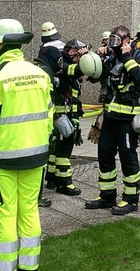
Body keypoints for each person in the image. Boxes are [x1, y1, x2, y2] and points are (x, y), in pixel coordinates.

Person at [0, 19, 53, 271]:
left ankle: (6, 268)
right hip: (35, 157)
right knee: (30, 211)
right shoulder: (40, 74)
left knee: (6, 216)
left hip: (2, 161)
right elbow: (48, 117)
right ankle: (29, 267)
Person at [87, 25, 140, 215]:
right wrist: (97, 58)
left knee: (127, 155)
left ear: (127, 40)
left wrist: (126, 56)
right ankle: (107, 195)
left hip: (128, 119)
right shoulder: (112, 57)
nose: (113, 45)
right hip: (110, 116)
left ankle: (131, 198)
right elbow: (95, 77)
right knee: (104, 153)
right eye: (111, 40)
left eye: (117, 41)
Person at [38, 39, 88, 196]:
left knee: (55, 148)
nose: (80, 60)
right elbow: (79, 70)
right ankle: (65, 183)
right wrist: (88, 57)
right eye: (78, 55)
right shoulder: (64, 65)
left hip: (64, 112)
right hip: (62, 113)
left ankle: (52, 178)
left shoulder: (60, 64)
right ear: (72, 52)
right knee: (64, 150)